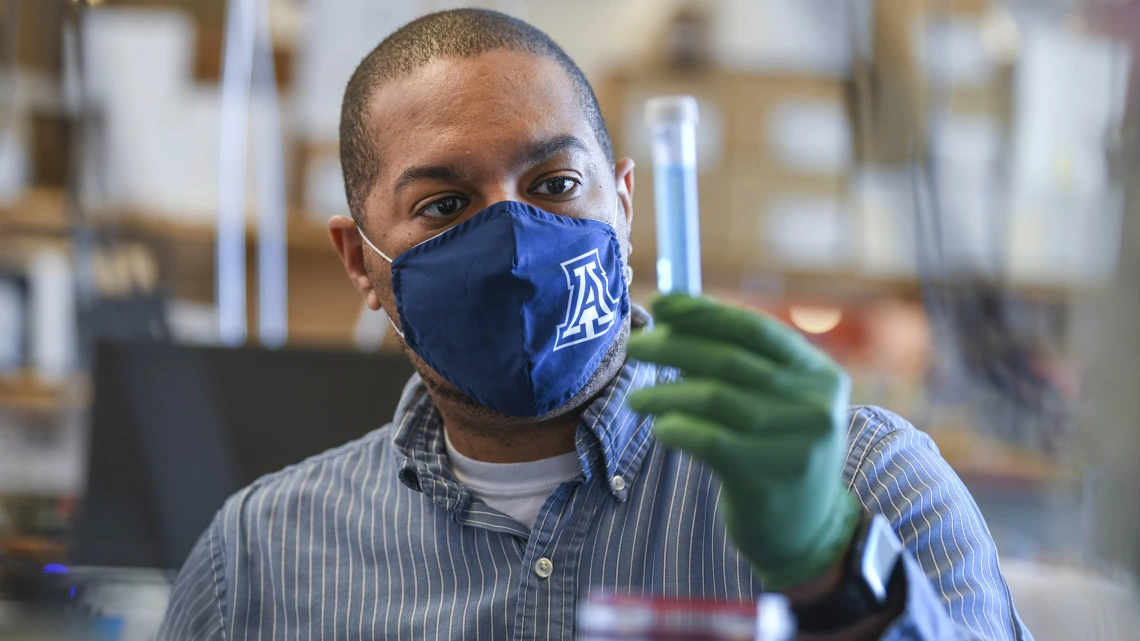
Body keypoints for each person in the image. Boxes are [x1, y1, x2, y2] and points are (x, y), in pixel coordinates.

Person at [158, 9, 1032, 641]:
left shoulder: (862, 482)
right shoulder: (262, 562)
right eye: (446, 203)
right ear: (361, 264)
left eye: (553, 186)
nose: (510, 240)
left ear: (623, 201)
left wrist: (834, 574)